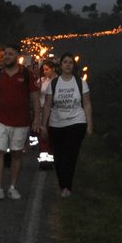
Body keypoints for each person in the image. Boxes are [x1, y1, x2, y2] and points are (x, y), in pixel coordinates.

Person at [38, 53, 93, 197]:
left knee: (71, 154)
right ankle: (63, 182)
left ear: (73, 65)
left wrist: (89, 124)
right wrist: (44, 125)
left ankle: (67, 186)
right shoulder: (54, 83)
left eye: (70, 62)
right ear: (60, 65)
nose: (68, 65)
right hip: (57, 123)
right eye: (65, 62)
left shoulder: (80, 82)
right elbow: (48, 104)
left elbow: (86, 103)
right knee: (59, 157)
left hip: (76, 122)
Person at [0, 55, 35, 200]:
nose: (7, 56)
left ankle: (12, 187)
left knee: (16, 154)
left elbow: (35, 96)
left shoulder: (26, 74)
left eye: (10, 54)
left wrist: (37, 119)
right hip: (0, 119)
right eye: (5, 54)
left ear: (16, 56)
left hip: (21, 121)